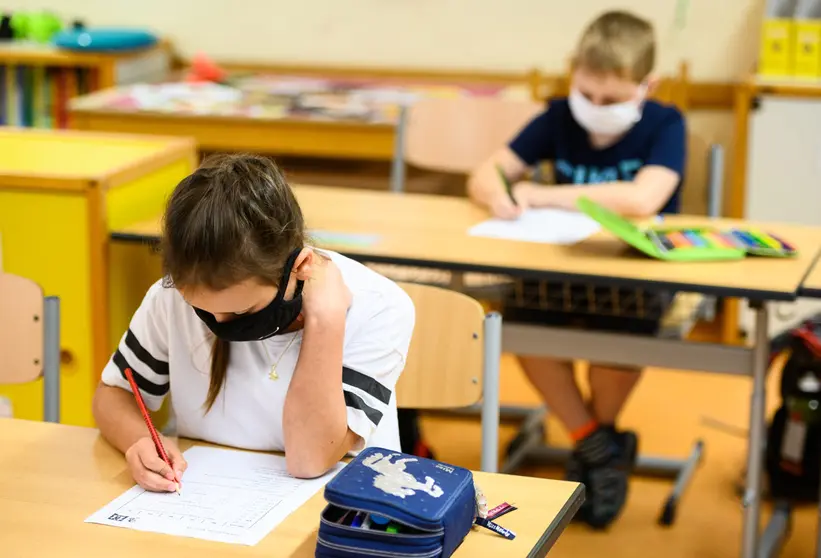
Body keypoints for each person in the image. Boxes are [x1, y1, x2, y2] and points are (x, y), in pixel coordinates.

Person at [467, 10, 686, 529]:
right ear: (574, 74)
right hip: (559, 264)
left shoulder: (665, 123)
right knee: (519, 324)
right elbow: (487, 172)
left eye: (612, 100)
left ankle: (593, 440)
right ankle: (597, 446)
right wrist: (498, 194)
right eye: (587, 93)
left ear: (646, 85)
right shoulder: (559, 116)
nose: (595, 108)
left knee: (620, 336)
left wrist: (542, 192)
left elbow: (643, 197)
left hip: (634, 273)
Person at [92, 153, 415, 492]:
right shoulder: (170, 297)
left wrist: (325, 319)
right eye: (200, 310)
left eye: (241, 313)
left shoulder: (379, 307)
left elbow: (310, 460)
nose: (219, 324)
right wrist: (140, 440)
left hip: (339, 510)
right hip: (204, 500)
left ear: (300, 266)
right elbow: (114, 394)